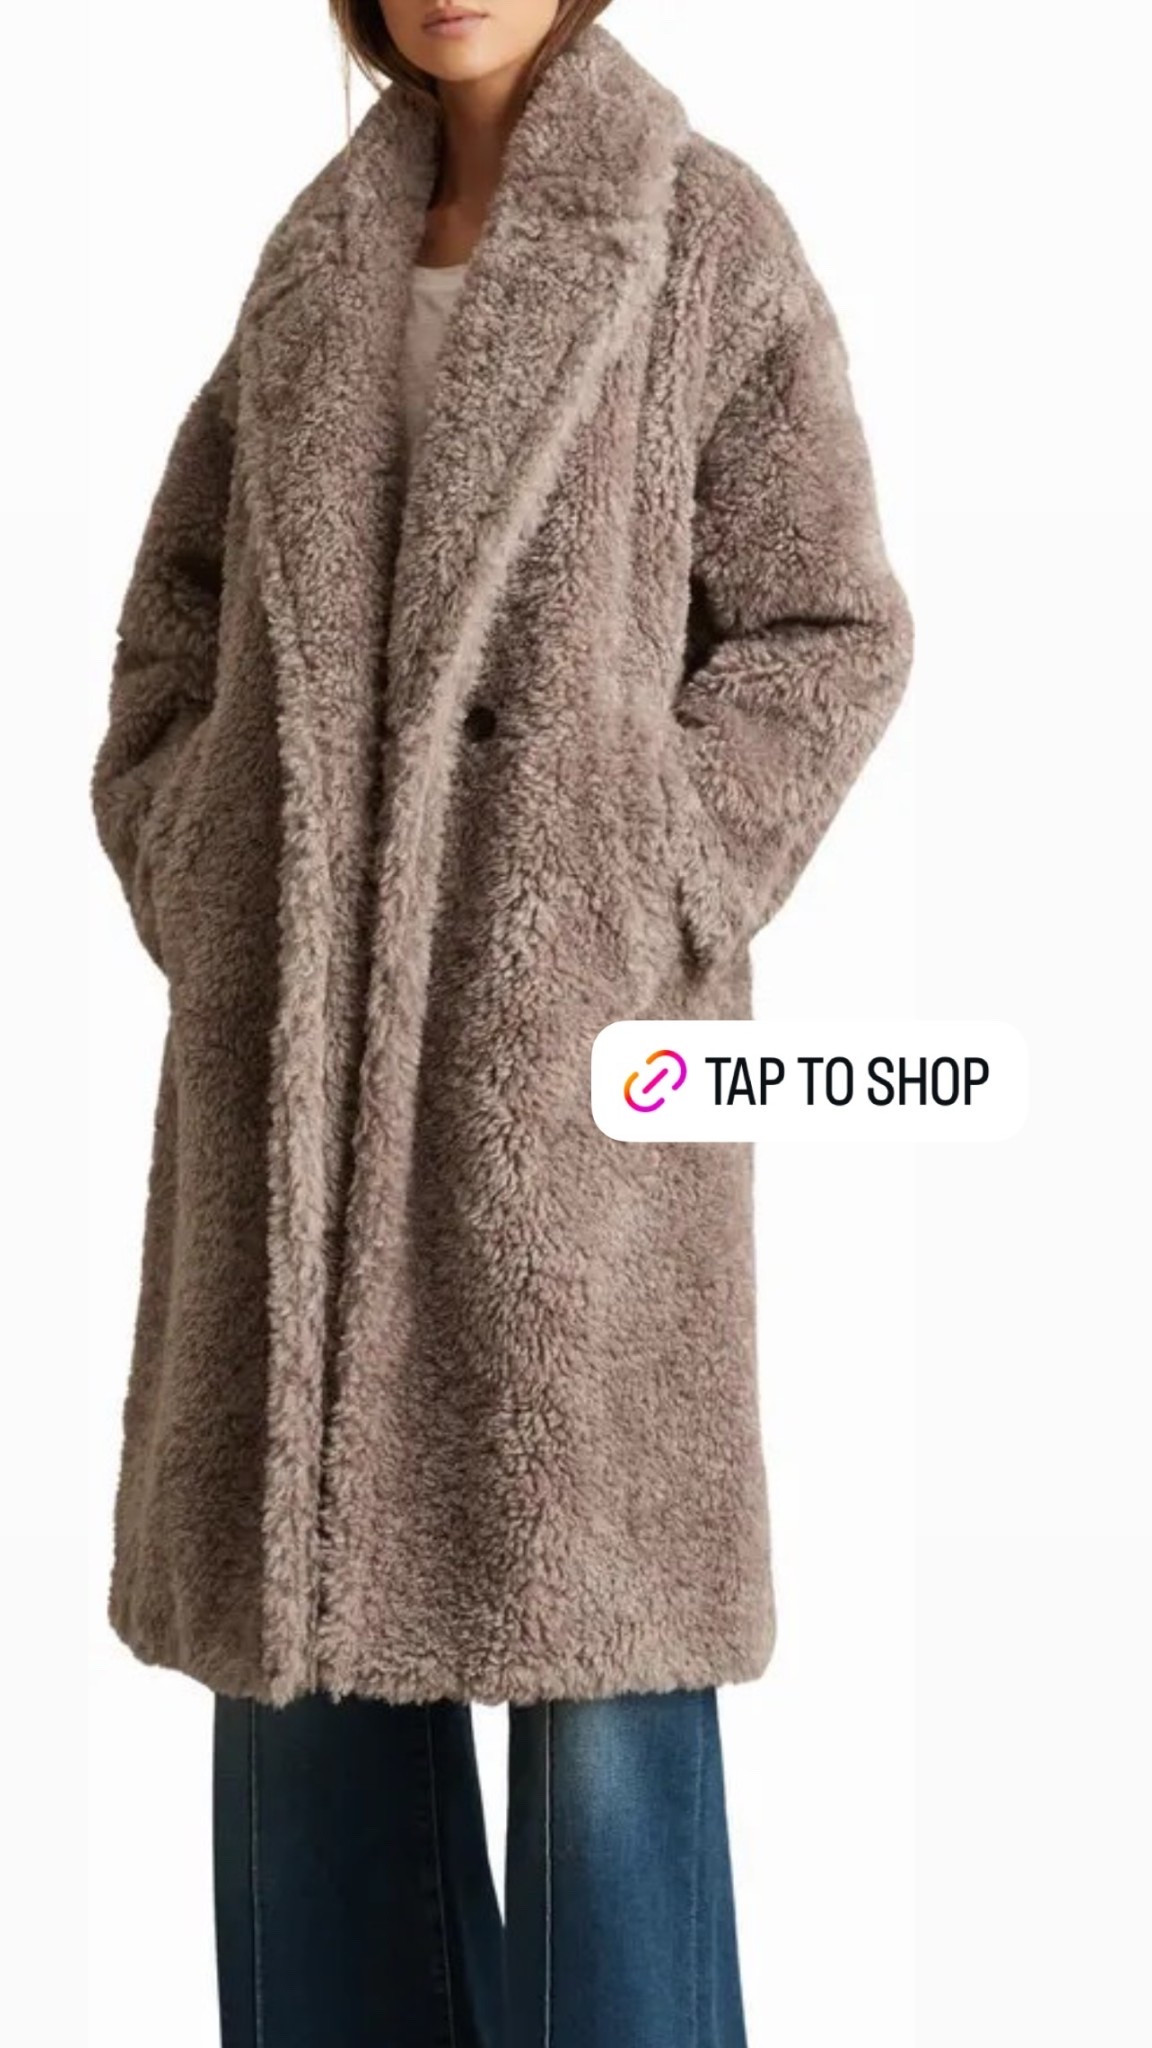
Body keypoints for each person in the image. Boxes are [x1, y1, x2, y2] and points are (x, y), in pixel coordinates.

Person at [89, 4, 913, 2042]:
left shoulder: (701, 236)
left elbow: (828, 627)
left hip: (565, 1093)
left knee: (600, 1693)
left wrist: (651, 875)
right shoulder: (311, 258)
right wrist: (208, 860)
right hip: (291, 1083)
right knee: (303, 1691)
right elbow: (173, 620)